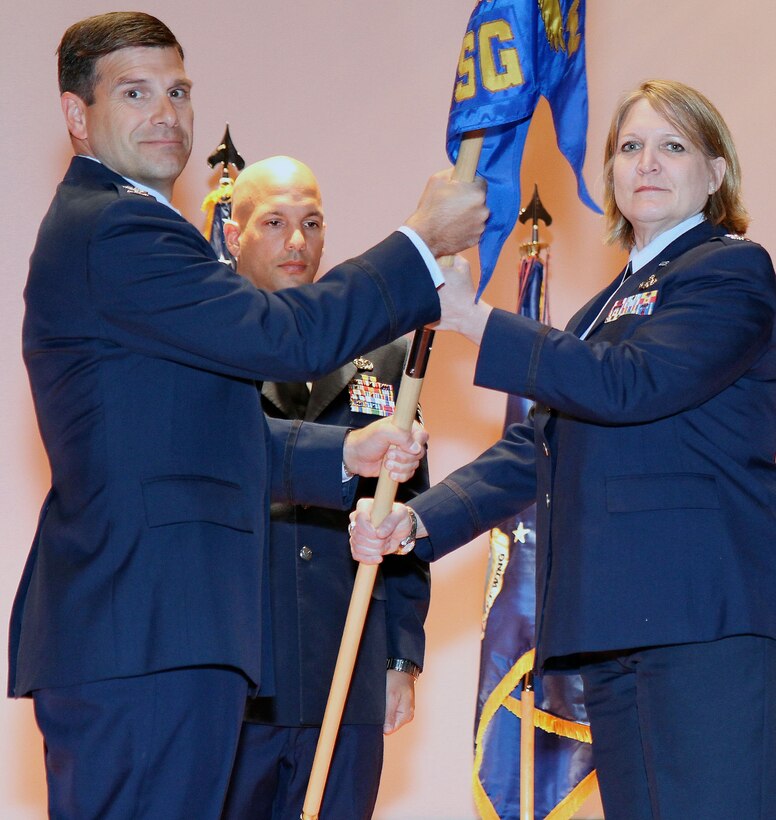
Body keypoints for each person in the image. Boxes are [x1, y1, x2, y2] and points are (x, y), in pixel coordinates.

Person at [9, 12, 487, 819]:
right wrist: (418, 241)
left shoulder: (128, 231)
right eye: (135, 93)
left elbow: (180, 437)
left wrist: (342, 455)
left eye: (178, 91)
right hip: (147, 635)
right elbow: (289, 334)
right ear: (76, 116)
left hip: (160, 638)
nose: (166, 113)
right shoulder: (118, 229)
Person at [350, 79, 776, 820]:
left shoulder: (730, 271)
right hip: (617, 628)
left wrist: (475, 320)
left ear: (714, 174)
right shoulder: (603, 305)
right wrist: (421, 523)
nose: (647, 163)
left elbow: (632, 385)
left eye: (673, 147)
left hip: (703, 625)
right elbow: (539, 444)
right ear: (608, 172)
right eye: (630, 147)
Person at [218, 156, 429, 819]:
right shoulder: (204, 351)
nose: (298, 242)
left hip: (347, 663)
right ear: (233, 234)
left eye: (311, 223)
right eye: (275, 223)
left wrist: (400, 656)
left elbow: (409, 515)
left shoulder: (384, 358)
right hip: (238, 674)